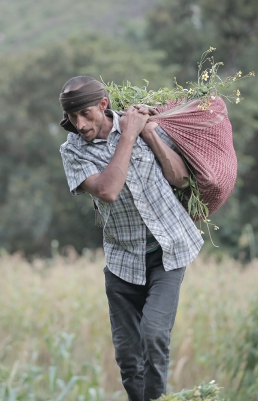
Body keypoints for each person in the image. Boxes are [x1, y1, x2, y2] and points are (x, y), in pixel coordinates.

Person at [58, 76, 203, 401]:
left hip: (168, 253)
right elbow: (107, 191)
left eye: (85, 114)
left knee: (153, 335)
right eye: (72, 117)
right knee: (127, 357)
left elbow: (180, 180)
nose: (79, 124)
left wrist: (148, 132)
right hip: (123, 262)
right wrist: (129, 134)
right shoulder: (73, 153)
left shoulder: (143, 123)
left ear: (103, 105)